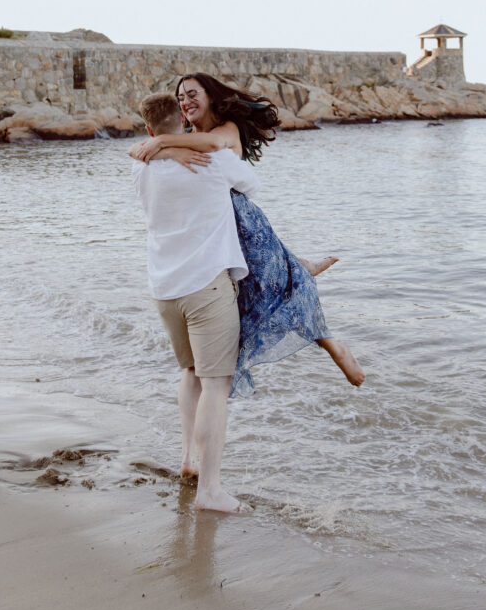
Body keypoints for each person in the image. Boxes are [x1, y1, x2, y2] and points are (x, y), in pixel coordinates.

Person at [130, 73, 365, 396]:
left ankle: (331, 344)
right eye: (181, 97)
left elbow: (209, 146)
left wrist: (161, 143)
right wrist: (168, 149)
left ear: (211, 96)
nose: (185, 101)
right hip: (214, 228)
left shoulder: (224, 130)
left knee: (275, 288)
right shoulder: (187, 135)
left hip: (240, 223)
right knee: (256, 299)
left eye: (192, 93)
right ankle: (299, 266)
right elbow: (137, 152)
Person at [131, 92, 259, 514]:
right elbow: (251, 182)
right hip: (206, 285)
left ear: (149, 131)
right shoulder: (213, 162)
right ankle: (210, 490)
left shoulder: (141, 168)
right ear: (183, 124)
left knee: (190, 373)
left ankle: (187, 458)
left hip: (164, 289)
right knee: (217, 385)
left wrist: (166, 148)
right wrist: (187, 146)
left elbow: (149, 153)